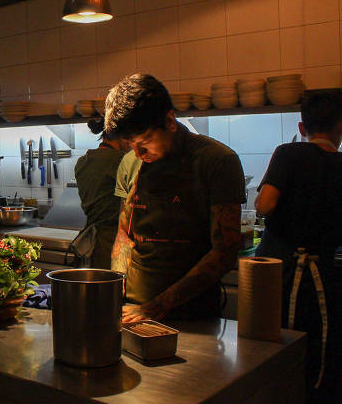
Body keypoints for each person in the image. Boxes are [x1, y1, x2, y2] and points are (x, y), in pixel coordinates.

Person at [105, 74, 245, 322]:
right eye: (131, 144)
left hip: (192, 313)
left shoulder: (217, 161)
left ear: (170, 121)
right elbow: (124, 234)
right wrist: (117, 287)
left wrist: (157, 306)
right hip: (132, 311)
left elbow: (225, 251)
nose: (138, 153)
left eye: (145, 142)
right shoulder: (130, 163)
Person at [254, 90, 342, 403]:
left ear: (302, 128)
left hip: (284, 276)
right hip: (325, 278)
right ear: (339, 127)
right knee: (318, 350)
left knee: (280, 352)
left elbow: (264, 205)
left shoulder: (288, 153)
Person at [73, 117, 128, 269]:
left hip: (90, 241)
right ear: (121, 136)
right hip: (114, 243)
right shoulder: (121, 161)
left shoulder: (82, 162)